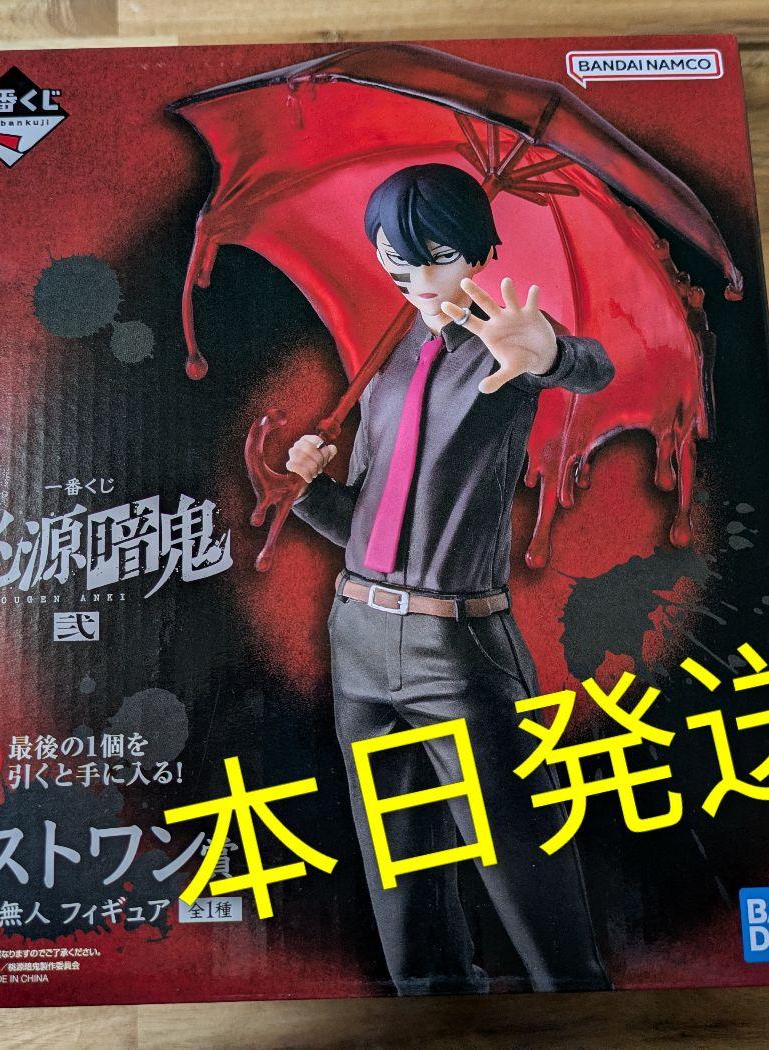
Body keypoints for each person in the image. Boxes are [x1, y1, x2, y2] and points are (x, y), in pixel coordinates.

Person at [287, 163, 615, 994]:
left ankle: (578, 1002)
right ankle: (430, 1007)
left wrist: (552, 353)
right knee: (398, 862)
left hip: (456, 643)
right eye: (397, 259)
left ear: (476, 250)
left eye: (436, 256)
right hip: (359, 633)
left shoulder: (505, 344)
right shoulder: (390, 358)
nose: (418, 278)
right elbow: (371, 527)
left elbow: (589, 366)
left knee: (518, 848)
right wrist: (308, 491)